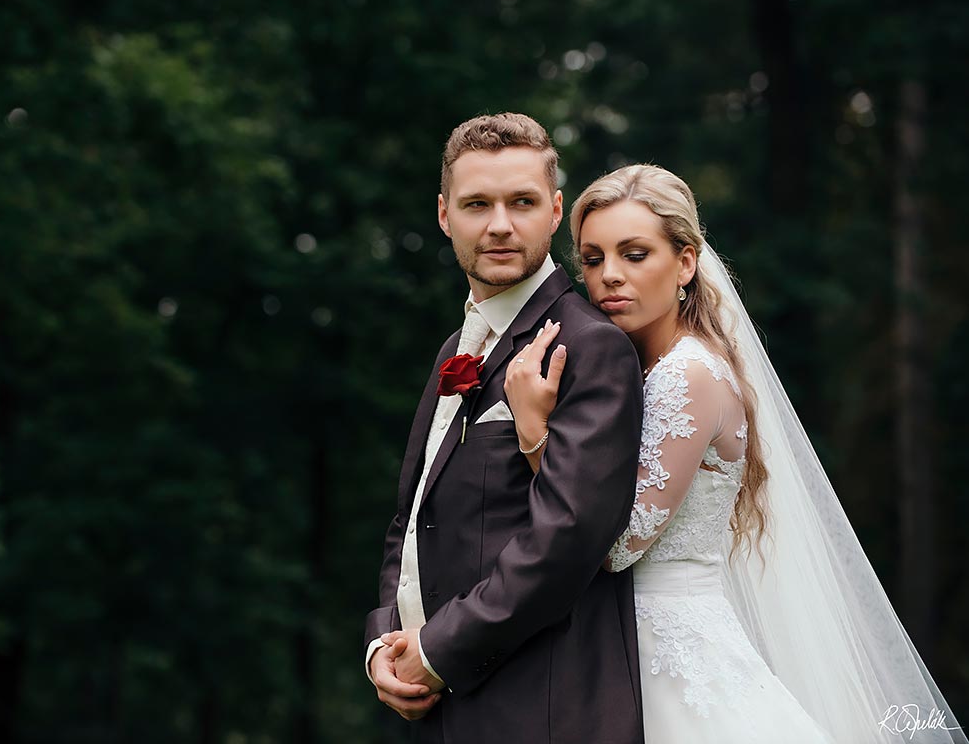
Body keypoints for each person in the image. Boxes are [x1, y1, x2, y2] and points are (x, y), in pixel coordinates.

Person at [505, 163, 967, 743]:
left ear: (686, 263)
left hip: (671, 654)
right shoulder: (641, 371)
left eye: (635, 254)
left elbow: (616, 548)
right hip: (622, 648)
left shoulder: (687, 375)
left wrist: (534, 434)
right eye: (593, 259)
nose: (609, 278)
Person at [363, 113, 646, 743]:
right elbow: (409, 518)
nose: (498, 224)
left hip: (535, 709)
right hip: (439, 711)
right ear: (444, 214)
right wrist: (384, 640)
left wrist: (437, 652)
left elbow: (568, 539)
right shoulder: (452, 352)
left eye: (521, 202)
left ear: (554, 210)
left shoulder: (590, 346)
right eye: (476, 204)